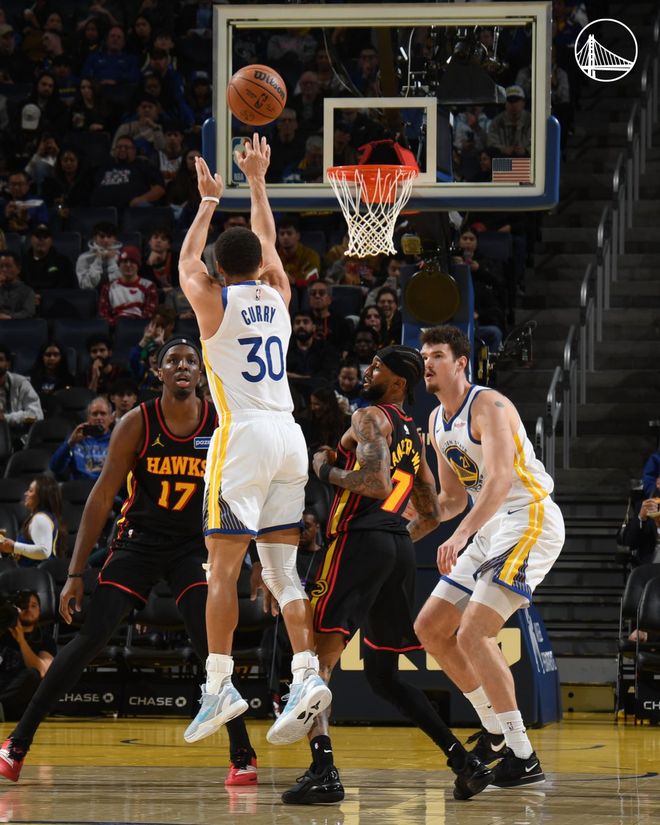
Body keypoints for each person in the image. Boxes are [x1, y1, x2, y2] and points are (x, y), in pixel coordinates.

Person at [0, 340, 258, 786]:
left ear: (201, 373)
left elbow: (240, 494)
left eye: (191, 361)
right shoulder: (137, 421)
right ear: (159, 372)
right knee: (91, 637)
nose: (182, 366)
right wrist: (75, 573)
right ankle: (17, 744)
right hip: (139, 541)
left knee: (211, 643)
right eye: (173, 360)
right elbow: (102, 496)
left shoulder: (219, 423)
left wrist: (251, 557)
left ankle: (242, 755)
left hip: (194, 545)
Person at [283, 345, 492, 805]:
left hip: (357, 541)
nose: (368, 370)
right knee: (382, 676)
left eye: (378, 367)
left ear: (398, 382)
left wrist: (325, 468)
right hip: (395, 548)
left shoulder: (368, 417)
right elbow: (431, 514)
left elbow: (376, 485)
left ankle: (323, 771)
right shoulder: (413, 433)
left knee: (316, 659)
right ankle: (464, 761)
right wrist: (392, 541)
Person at [178, 135, 330, 747]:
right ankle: (305, 673)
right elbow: (267, 242)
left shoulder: (212, 300)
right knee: (282, 571)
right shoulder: (281, 296)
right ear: (263, 266)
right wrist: (258, 181)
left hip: (241, 436)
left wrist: (208, 201)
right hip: (289, 436)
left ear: (220, 269)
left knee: (221, 569)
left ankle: (219, 684)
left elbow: (186, 263)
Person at [414, 325, 565, 790]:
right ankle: (495, 730)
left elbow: (498, 480)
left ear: (461, 363)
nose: (427, 363)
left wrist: (460, 535)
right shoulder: (436, 422)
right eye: (424, 355)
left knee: (475, 632)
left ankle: (523, 756)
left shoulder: (490, 406)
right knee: (431, 628)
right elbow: (452, 499)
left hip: (528, 517)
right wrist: (401, 528)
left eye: (437, 355)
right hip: (487, 524)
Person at [0, 592, 55, 722]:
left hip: (21, 697)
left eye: (33, 605)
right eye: (23, 605)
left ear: (40, 610)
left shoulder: (45, 639)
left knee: (33, 674)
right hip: (3, 686)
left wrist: (21, 641)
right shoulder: (2, 633)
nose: (29, 609)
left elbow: (44, 672)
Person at [0, 475, 65, 567]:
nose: (25, 493)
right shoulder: (46, 516)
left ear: (41, 496)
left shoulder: (40, 518)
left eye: (30, 491)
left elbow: (44, 551)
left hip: (37, 572)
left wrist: (14, 546)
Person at [49, 396, 113, 481]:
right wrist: (70, 443)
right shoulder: (76, 439)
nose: (98, 417)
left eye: (103, 414)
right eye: (95, 414)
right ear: (88, 418)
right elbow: (55, 468)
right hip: (80, 487)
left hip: (107, 486)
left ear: (111, 418)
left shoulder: (116, 441)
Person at [98, 246, 158, 326]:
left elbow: (149, 313)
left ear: (138, 265)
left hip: (140, 327)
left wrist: (132, 325)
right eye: (125, 261)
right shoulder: (108, 287)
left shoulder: (149, 286)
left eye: (132, 262)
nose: (128, 265)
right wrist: (119, 325)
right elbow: (103, 315)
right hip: (115, 328)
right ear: (119, 265)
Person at [0, 347, 43, 446]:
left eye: (0, 359)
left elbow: (36, 415)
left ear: (8, 364)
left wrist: (6, 419)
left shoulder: (21, 383)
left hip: (18, 440)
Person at [0, 252, 37, 320]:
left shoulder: (27, 291)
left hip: (18, 325)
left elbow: (28, 312)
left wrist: (9, 317)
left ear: (18, 269)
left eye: (8, 266)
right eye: (1, 266)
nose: (4, 269)